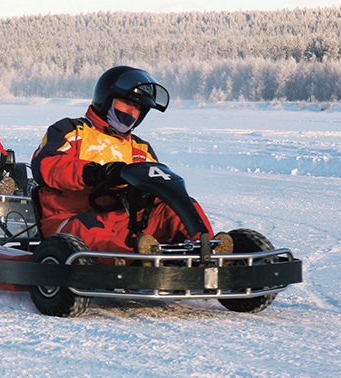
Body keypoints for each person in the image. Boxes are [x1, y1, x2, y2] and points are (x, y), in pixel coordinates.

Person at [31, 66, 232, 259]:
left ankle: (206, 249)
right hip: (69, 218)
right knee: (87, 225)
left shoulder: (140, 148)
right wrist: (95, 173)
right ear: (106, 99)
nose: (131, 112)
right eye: (126, 103)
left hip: (124, 224)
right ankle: (133, 264)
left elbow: (158, 187)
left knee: (177, 206)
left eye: (138, 108)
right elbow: (47, 166)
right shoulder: (71, 130)